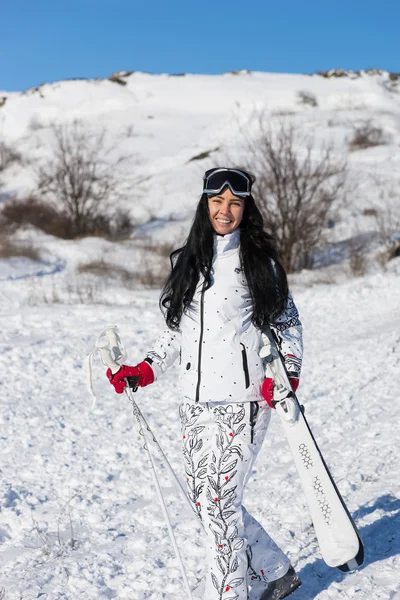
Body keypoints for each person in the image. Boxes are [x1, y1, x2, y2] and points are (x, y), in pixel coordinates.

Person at [106, 168, 304, 600]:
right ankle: (274, 572)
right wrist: (144, 368)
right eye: (218, 202)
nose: (225, 211)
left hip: (245, 400)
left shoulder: (259, 263)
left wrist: (285, 376)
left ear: (246, 207)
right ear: (205, 204)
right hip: (193, 403)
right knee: (207, 503)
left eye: (235, 203)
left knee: (219, 507)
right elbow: (176, 331)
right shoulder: (189, 262)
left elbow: (288, 325)